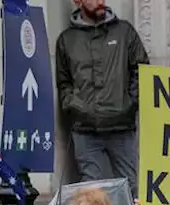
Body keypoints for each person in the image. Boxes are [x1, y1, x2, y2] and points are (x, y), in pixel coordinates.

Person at [56, 0, 148, 191]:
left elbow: (141, 71)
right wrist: (74, 106)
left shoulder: (125, 32)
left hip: (122, 125)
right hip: (85, 129)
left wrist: (129, 103)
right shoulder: (67, 39)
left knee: (130, 187)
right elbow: (64, 82)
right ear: (78, 2)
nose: (100, 2)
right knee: (91, 190)